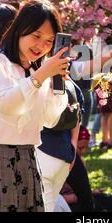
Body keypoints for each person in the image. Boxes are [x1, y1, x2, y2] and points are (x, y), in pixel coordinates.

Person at [0, 0, 70, 212]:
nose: (41, 46)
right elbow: (7, 105)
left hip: (26, 160)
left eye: (49, 41)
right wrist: (41, 76)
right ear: (19, 29)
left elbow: (51, 119)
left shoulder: (39, 71)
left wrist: (56, 85)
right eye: (36, 36)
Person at [36, 78, 82, 212]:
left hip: (43, 154)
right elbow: (77, 116)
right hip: (64, 155)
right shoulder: (70, 83)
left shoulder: (36, 79)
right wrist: (73, 147)